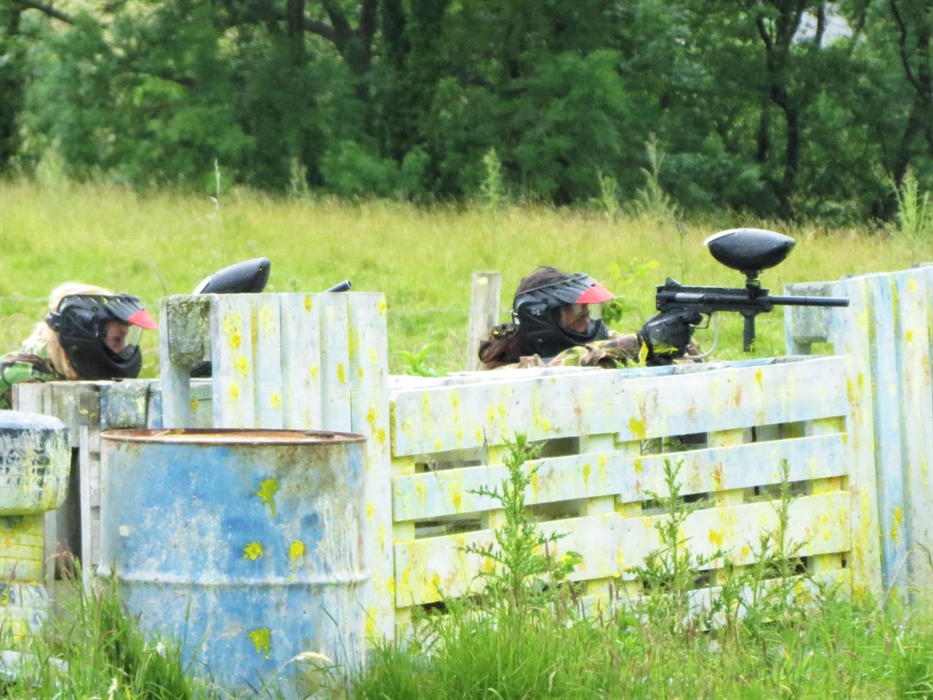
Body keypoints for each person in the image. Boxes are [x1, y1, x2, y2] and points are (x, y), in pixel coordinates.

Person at [478, 266, 699, 370]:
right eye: (575, 311)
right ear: (541, 317)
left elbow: (614, 346)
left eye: (587, 310)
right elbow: (562, 366)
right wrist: (643, 343)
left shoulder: (594, 341)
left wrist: (676, 348)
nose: (585, 320)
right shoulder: (505, 372)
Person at [0, 282, 159, 409]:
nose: (122, 351)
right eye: (116, 339)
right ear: (80, 337)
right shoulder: (25, 378)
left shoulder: (69, 376)